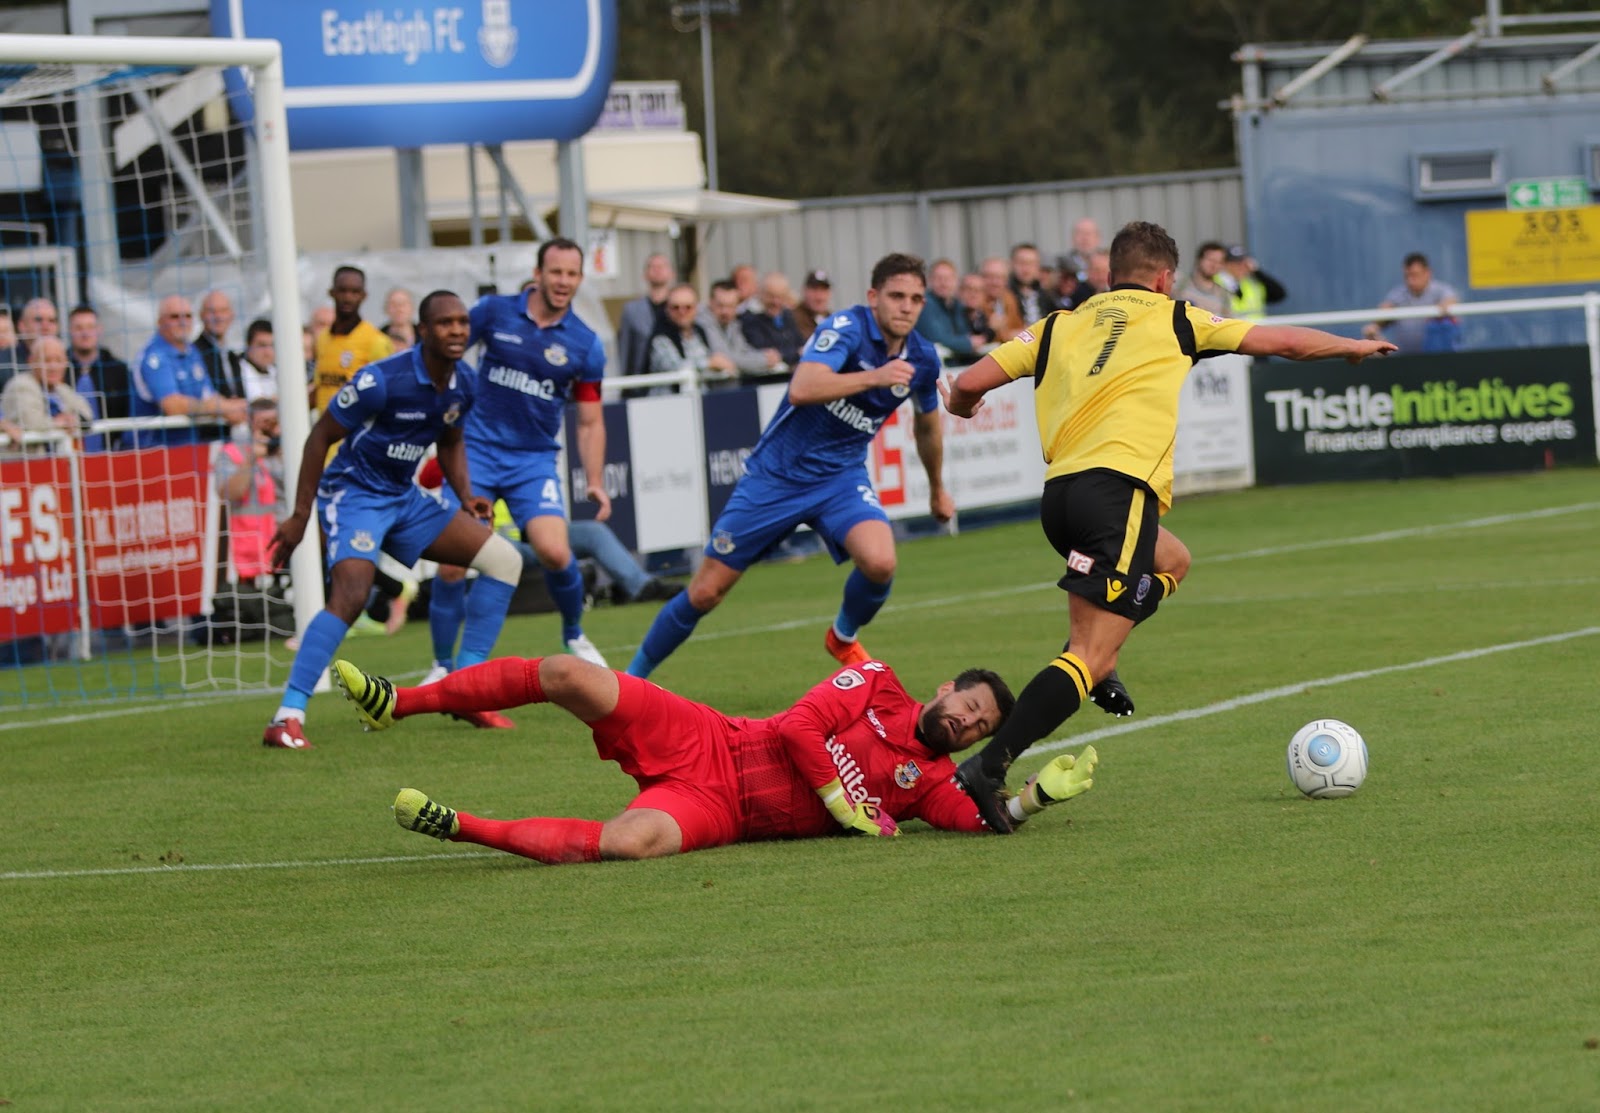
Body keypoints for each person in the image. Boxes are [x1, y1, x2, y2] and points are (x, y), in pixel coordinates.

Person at [938, 220, 1396, 832]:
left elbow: (968, 384)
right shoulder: (1177, 317)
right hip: (1117, 494)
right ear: (1163, 278)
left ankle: (1101, 667)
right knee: (1085, 653)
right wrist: (1350, 348)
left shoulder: (1056, 324)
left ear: (1109, 275)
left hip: (1061, 498)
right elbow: (1282, 341)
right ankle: (989, 766)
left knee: (1172, 561)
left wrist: (964, 405)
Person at [333, 652, 1099, 860]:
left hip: (724, 811)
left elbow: (972, 818)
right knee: (569, 674)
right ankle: (399, 702)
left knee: (629, 842)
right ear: (945, 689)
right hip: (715, 738)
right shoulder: (877, 681)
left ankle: (457, 825)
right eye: (969, 704)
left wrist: (1031, 798)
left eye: (980, 726)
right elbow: (799, 727)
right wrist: (842, 802)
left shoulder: (928, 781)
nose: (966, 722)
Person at [627, 253, 954, 679]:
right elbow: (803, 387)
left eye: (915, 299)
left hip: (840, 478)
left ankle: (842, 636)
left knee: (880, 563)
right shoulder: (846, 328)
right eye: (896, 296)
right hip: (777, 476)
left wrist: (937, 489)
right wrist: (874, 377)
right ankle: (629, 680)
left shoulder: (923, 357)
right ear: (874, 297)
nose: (906, 307)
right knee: (705, 592)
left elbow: (928, 427)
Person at [260, 290, 525, 750]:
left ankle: (466, 690)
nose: (457, 330)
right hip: (355, 494)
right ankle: (287, 716)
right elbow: (319, 437)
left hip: (405, 497)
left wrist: (467, 497)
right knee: (351, 596)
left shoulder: (464, 382)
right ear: (423, 331)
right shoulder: (381, 380)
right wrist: (301, 515)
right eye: (445, 322)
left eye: (463, 322)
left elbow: (450, 440)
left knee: (505, 561)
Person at [427, 236, 612, 692]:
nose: (563, 281)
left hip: (533, 461)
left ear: (580, 278)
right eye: (556, 272)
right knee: (452, 564)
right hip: (477, 452)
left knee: (555, 552)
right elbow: (446, 350)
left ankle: (574, 633)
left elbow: (590, 420)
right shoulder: (494, 312)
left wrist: (594, 479)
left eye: (572, 274)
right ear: (538, 273)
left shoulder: (586, 344)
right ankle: (442, 665)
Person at [130, 295, 248, 447]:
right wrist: (221, 408)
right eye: (174, 317)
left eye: (188, 316)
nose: (182, 321)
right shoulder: (154, 357)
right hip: (153, 448)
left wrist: (235, 407)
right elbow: (172, 405)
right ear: (160, 321)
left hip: (188, 446)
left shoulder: (192, 352)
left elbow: (209, 396)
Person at [215, 398, 285, 580]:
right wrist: (251, 459)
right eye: (265, 423)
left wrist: (283, 452)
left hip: (290, 537)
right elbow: (227, 492)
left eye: (275, 422)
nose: (271, 428)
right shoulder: (233, 452)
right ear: (250, 423)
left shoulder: (289, 447)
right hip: (252, 552)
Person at [311, 266, 392, 414]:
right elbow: (320, 387)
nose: (348, 298)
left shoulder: (376, 340)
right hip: (325, 426)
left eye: (355, 292)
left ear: (364, 296)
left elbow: (387, 392)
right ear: (332, 293)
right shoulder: (322, 338)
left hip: (357, 427)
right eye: (342, 291)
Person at [0, 336, 93, 452]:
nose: (53, 367)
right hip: (28, 460)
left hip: (60, 459)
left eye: (58, 360)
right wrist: (59, 423)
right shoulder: (21, 385)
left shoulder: (61, 389)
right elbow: (32, 423)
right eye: (46, 361)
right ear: (31, 361)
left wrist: (73, 420)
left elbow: (87, 415)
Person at [1363, 252, 1461, 352]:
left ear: (1428, 273)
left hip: (1437, 357)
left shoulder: (1441, 290)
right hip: (1405, 358)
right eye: (1407, 276)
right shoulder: (1398, 294)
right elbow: (1383, 313)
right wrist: (1375, 326)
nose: (1410, 281)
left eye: (1415, 275)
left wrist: (1443, 308)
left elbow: (1451, 300)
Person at [68, 305, 132, 452]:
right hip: (69, 453)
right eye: (78, 328)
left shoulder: (118, 370)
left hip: (113, 452)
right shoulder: (59, 369)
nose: (85, 333)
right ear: (70, 331)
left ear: (99, 330)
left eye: (90, 327)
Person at [648, 283, 736, 382]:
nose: (682, 312)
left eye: (688, 307)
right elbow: (676, 367)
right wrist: (709, 363)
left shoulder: (700, 333)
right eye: (675, 307)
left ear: (696, 308)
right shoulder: (660, 338)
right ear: (667, 309)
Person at [699, 279, 782, 379]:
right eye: (720, 305)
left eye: (730, 306)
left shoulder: (732, 323)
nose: (725, 311)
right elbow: (725, 358)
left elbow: (743, 350)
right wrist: (764, 360)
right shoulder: (702, 322)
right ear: (710, 302)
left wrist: (766, 355)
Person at [616, 252, 675, 376]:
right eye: (652, 267)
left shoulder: (682, 307)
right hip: (642, 377)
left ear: (672, 273)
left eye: (662, 266)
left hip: (674, 376)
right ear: (645, 275)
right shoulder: (632, 310)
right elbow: (625, 349)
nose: (657, 270)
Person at [915, 258, 984, 363]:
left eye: (948, 279)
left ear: (956, 281)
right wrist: (968, 343)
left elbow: (964, 332)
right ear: (929, 280)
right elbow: (937, 338)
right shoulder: (925, 304)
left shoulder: (956, 304)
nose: (944, 283)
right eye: (938, 278)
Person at [739, 272, 806, 369]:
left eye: (780, 296)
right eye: (771, 296)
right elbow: (765, 352)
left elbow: (801, 345)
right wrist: (794, 353)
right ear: (760, 293)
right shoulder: (749, 319)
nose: (776, 302)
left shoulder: (787, 315)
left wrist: (787, 354)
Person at [195, 289, 243, 398]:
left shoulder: (232, 356)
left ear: (232, 315)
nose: (218, 316)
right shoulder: (193, 354)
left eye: (223, 311)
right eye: (212, 311)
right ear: (201, 315)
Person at [1220, 246, 1287, 321]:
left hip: (1256, 327)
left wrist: (1257, 272)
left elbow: (1279, 294)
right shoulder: (1216, 282)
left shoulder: (1253, 284)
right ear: (1225, 264)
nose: (1241, 267)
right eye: (1236, 263)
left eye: (1244, 263)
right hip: (1231, 327)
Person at [1173, 241, 1232, 315]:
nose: (1214, 265)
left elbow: (1228, 319)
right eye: (1211, 260)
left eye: (1219, 262)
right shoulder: (1179, 283)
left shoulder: (1223, 294)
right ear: (1199, 259)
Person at [1008, 243, 1058, 323]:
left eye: (1031, 263)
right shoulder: (1004, 296)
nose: (1026, 268)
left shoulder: (1048, 297)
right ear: (1012, 264)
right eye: (1022, 263)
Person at [978, 257, 1024, 342]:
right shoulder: (975, 302)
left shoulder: (1010, 299)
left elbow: (1019, 327)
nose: (995, 282)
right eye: (989, 277)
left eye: (999, 278)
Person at [236, 319, 278, 401]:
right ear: (248, 345)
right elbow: (257, 403)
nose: (268, 352)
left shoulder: (273, 369)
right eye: (262, 345)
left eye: (272, 345)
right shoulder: (239, 370)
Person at [792, 269, 834, 339]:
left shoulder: (834, 320)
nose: (819, 297)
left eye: (823, 290)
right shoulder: (793, 319)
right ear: (804, 291)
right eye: (814, 290)